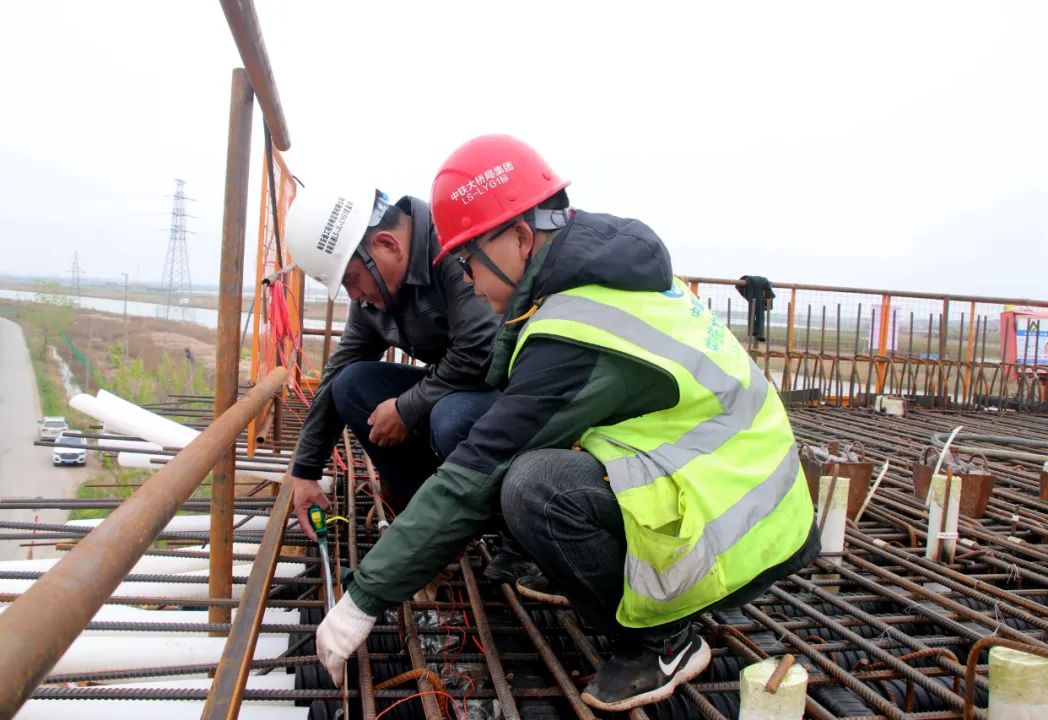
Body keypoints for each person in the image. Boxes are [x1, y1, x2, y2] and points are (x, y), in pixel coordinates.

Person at [315, 136, 820, 711]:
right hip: (740, 488)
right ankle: (585, 570)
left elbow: (476, 469)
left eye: (466, 261)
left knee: (532, 487)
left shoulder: (578, 326)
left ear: (521, 239)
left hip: (745, 528)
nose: (468, 282)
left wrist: (362, 599)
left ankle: (661, 642)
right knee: (502, 452)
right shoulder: (591, 274)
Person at [285, 187, 500, 539]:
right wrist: (305, 470)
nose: (354, 296)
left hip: (511, 390)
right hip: (454, 388)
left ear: (388, 245)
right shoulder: (373, 299)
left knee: (451, 418)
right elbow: (338, 372)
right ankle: (431, 520)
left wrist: (407, 407)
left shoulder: (451, 246)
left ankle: (499, 524)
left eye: (352, 280)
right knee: (352, 385)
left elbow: (481, 349)